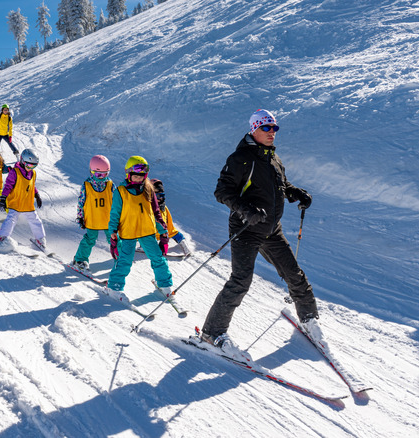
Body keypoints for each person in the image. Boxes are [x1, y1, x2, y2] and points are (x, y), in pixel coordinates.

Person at [199, 109, 318, 361]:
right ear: (254, 129)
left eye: (274, 128)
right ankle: (211, 333)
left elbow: (280, 185)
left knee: (294, 274)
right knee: (241, 281)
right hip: (246, 230)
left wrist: (296, 192)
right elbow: (222, 191)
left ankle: (309, 319)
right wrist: (245, 209)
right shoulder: (240, 158)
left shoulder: (273, 158)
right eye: (266, 128)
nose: (272, 132)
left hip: (272, 230)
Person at [105, 156, 174, 303]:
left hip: (147, 232)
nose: (138, 179)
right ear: (128, 174)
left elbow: (156, 213)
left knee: (158, 258)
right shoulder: (120, 191)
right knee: (125, 261)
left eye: (141, 176)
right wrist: (113, 232)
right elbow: (114, 214)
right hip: (128, 232)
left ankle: (165, 284)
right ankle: (114, 287)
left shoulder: (149, 189)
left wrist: (163, 232)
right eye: (135, 176)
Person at [71, 155, 114, 274]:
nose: (101, 178)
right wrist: (80, 216)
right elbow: (81, 202)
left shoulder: (110, 184)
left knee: (114, 239)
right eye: (98, 175)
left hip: (108, 219)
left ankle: (120, 257)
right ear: (92, 172)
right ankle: (79, 260)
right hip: (92, 219)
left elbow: (116, 202)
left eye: (105, 174)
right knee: (90, 239)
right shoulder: (87, 185)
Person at [0, 149, 46, 249]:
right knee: (11, 220)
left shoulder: (33, 173)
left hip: (28, 203)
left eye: (34, 166)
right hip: (16, 202)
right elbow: (8, 186)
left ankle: (40, 239)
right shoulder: (15, 172)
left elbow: (32, 185)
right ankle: (3, 237)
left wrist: (37, 195)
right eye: (29, 165)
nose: (30, 168)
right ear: (23, 161)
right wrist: (3, 199)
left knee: (36, 221)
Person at [150, 178, 192, 257]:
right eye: (157, 196)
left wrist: (171, 233)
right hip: (148, 235)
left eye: (162, 196)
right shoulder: (146, 208)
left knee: (178, 235)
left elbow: (169, 225)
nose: (160, 199)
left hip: (163, 233)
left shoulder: (164, 208)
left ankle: (185, 246)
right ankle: (144, 246)